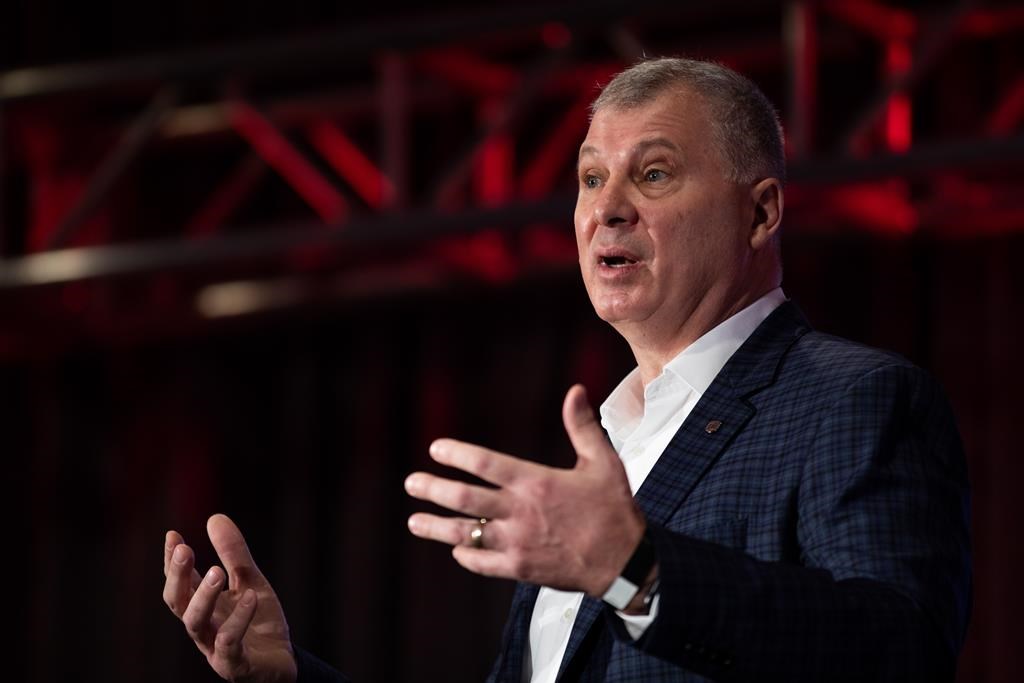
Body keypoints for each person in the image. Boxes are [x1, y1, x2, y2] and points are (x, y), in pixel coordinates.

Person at [163, 57, 971, 682]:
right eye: (590, 177)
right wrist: (291, 675)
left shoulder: (851, 399)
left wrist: (635, 571)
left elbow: (897, 650)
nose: (607, 207)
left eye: (652, 174)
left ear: (760, 212)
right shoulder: (603, 453)